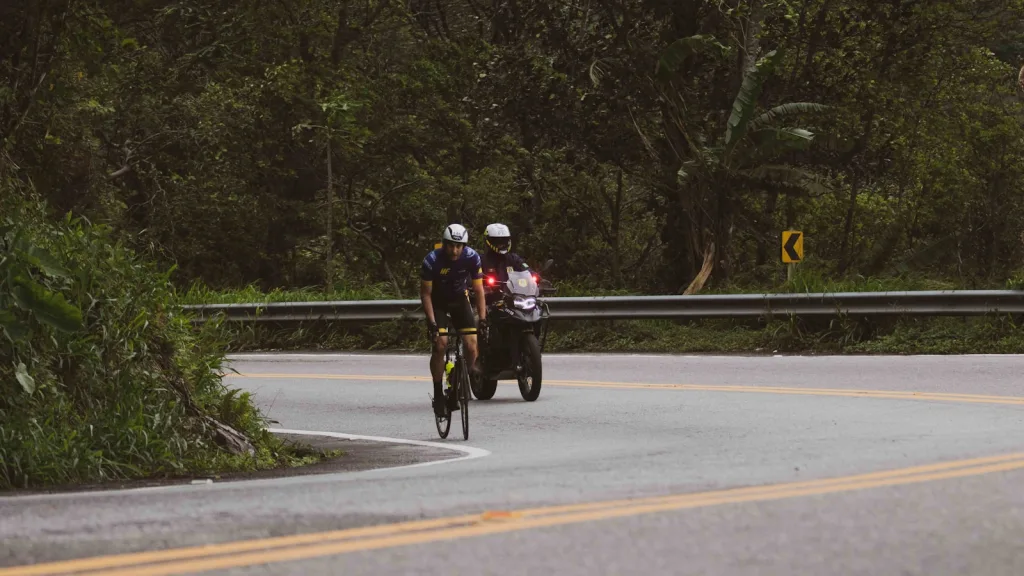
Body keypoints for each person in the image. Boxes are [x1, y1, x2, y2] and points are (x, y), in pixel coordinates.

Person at [420, 223, 487, 416]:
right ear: (444, 244)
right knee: (441, 343)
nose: (455, 250)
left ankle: (458, 385)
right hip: (437, 302)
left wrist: (482, 319)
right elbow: (425, 294)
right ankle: (438, 393)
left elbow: (479, 290)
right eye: (451, 245)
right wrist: (432, 323)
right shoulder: (432, 260)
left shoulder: (472, 258)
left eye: (459, 246)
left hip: (459, 300)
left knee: (472, 345)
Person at [480, 223, 531, 298]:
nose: (502, 245)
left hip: (512, 300)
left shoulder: (513, 258)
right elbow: (471, 280)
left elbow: (527, 270)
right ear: (489, 241)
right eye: (498, 242)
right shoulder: (480, 260)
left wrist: (537, 278)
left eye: (504, 241)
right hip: (489, 302)